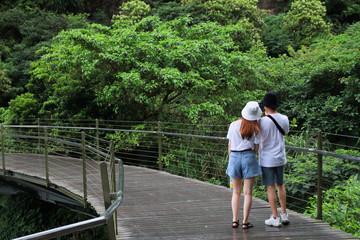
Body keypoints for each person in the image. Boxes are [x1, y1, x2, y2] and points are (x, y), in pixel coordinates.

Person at [226, 101, 262, 229]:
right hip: (249, 157)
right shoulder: (256, 129)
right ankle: (245, 222)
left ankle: (235, 220)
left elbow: (230, 144)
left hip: (234, 157)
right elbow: (256, 148)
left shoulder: (233, 124)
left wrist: (231, 160)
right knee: (248, 193)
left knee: (236, 192)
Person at [258, 91, 290, 227]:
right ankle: (284, 214)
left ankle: (275, 218)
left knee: (270, 187)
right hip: (280, 158)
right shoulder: (284, 118)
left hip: (266, 159)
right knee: (280, 185)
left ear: (265, 106)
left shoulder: (261, 122)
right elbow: (286, 132)